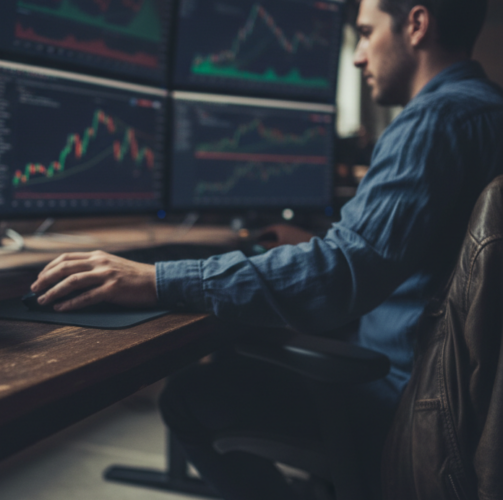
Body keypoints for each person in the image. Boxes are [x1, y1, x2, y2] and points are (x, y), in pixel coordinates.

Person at [31, 0, 503, 497]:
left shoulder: (433, 122)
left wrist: (154, 279)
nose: (360, 56)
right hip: (463, 408)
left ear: (416, 24)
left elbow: (340, 276)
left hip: (401, 403)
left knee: (191, 398)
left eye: (365, 33)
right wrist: (324, 248)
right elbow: (409, 252)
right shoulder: (488, 111)